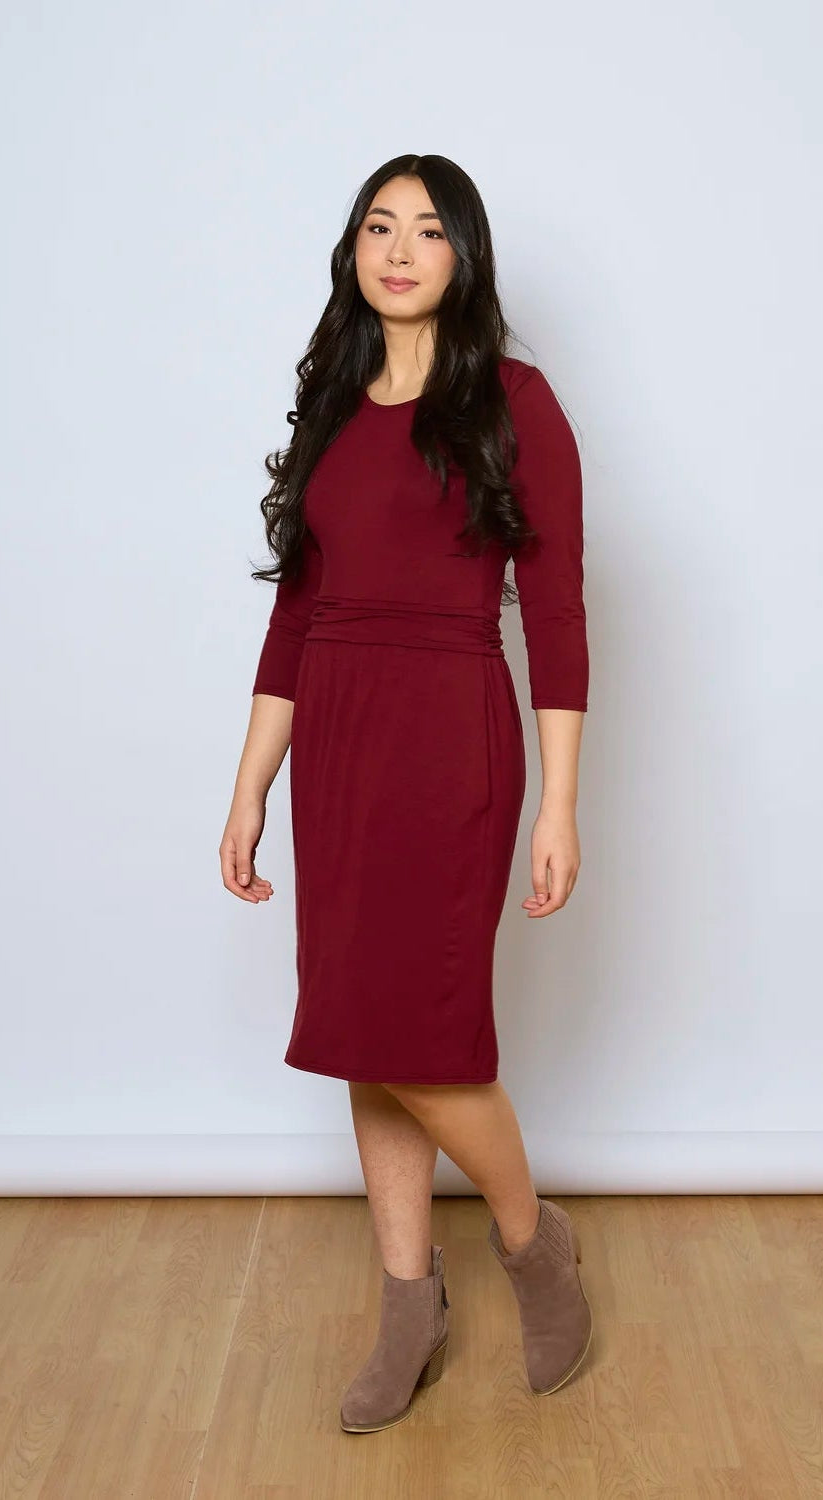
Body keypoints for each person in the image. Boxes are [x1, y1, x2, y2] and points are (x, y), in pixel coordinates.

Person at [220, 154, 593, 1433]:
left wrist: (558, 802)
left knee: (424, 1033)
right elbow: (296, 614)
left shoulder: (517, 404)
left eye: (426, 231)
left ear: (463, 256)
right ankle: (405, 1305)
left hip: (449, 734)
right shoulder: (330, 404)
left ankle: (533, 1241)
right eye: (378, 226)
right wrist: (249, 786)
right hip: (334, 736)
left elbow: (555, 611)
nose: (398, 249)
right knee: (358, 1035)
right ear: (353, 252)